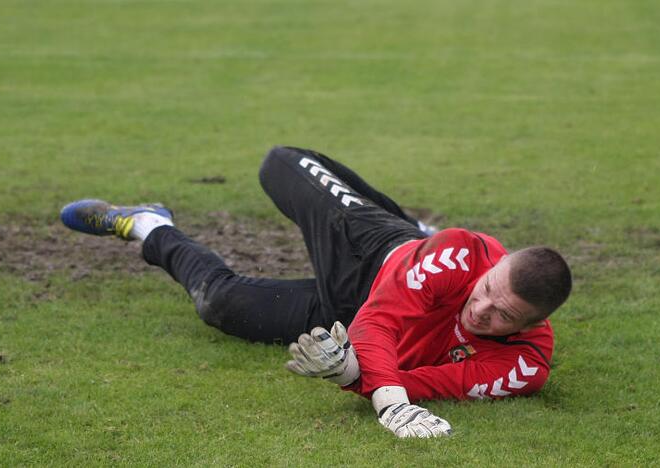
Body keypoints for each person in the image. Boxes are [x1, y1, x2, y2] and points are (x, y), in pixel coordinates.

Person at [60, 146, 572, 439]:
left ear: (529, 326)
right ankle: (409, 224)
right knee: (279, 163)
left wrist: (351, 373)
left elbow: (431, 382)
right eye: (485, 290)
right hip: (370, 253)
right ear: (495, 264)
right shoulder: (461, 253)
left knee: (220, 305)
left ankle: (149, 227)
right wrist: (389, 405)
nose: (479, 309)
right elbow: (383, 324)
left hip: (343, 320)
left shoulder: (525, 366)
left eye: (501, 314)